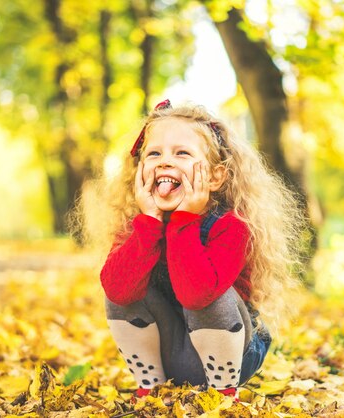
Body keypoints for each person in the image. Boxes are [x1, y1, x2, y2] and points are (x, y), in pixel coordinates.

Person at [95, 99, 303, 399]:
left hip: (228, 357)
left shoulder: (232, 226)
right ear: (139, 172)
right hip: (169, 356)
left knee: (212, 294)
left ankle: (222, 393)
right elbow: (117, 293)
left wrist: (184, 221)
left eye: (181, 153)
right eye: (154, 153)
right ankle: (151, 385)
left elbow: (197, 294)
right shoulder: (137, 227)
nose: (165, 162)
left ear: (215, 177)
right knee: (122, 285)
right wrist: (150, 222)